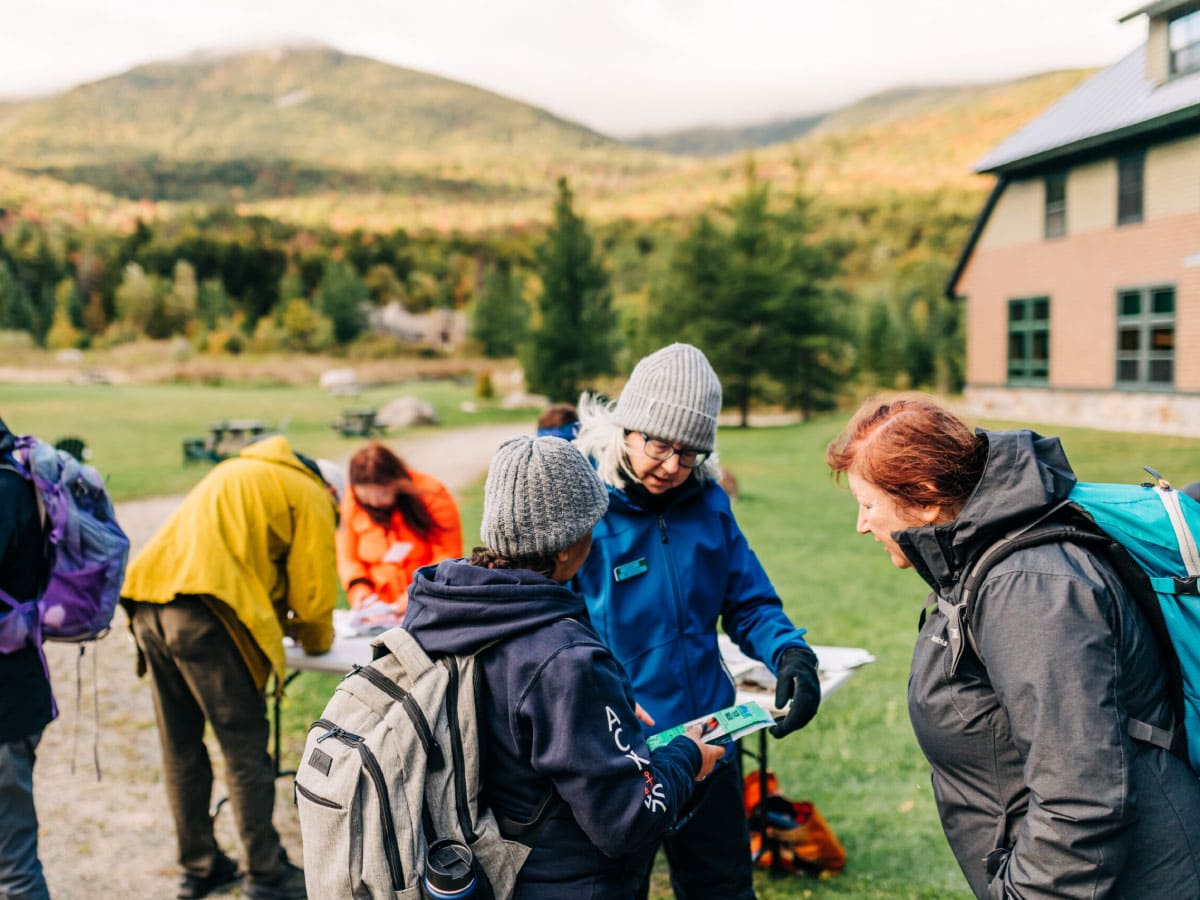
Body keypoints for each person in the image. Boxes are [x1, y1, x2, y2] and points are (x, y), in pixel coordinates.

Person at [825, 396, 1200, 898]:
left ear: (927, 498)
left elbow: (1082, 798)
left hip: (1134, 879)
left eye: (869, 505)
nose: (861, 524)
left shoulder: (1030, 588)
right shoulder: (978, 554)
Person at [403, 435, 725, 898]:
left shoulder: (445, 611)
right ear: (563, 546)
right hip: (567, 881)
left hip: (485, 866)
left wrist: (599, 712)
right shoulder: (563, 658)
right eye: (591, 524)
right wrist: (687, 756)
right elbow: (628, 820)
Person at [570, 342, 821, 900]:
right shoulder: (585, 509)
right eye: (659, 445)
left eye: (689, 454)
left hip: (709, 743)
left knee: (723, 891)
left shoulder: (709, 504)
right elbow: (552, 631)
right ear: (627, 429)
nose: (671, 467)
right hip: (620, 756)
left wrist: (791, 653)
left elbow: (749, 602)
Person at [120, 435, 341, 900]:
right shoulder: (309, 493)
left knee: (180, 746)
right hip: (208, 615)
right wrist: (317, 640)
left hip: (148, 602)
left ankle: (199, 866)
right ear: (332, 492)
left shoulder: (240, 471)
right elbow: (314, 597)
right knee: (244, 749)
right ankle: (266, 874)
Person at [0, 418, 53, 900]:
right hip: (18, 690)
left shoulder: (5, 489)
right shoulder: (15, 482)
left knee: (13, 869)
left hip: (7, 706)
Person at [336, 442, 462, 623]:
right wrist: (358, 587)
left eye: (380, 495)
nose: (373, 503)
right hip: (379, 611)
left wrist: (418, 591)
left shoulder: (431, 494)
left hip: (428, 604)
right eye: (366, 498)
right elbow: (347, 556)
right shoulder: (351, 500)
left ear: (396, 484)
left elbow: (447, 553)